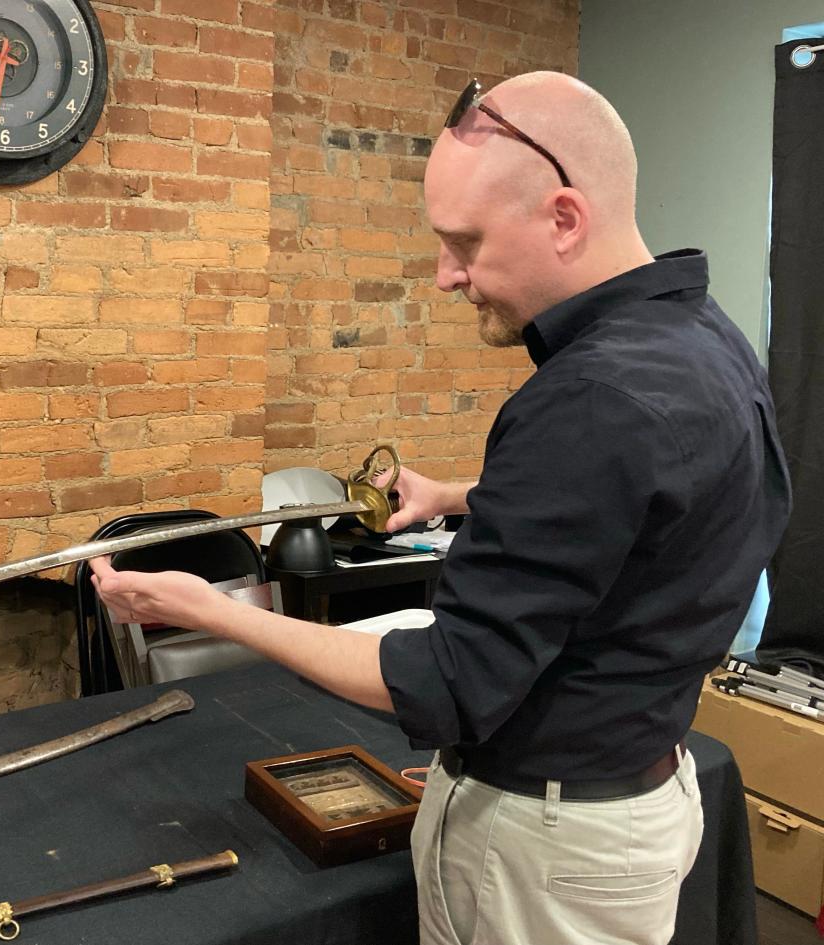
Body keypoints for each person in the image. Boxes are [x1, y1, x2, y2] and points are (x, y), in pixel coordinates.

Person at [91, 71, 791, 945]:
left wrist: (212, 612)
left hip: (547, 846)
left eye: (464, 242)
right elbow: (653, 505)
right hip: (639, 796)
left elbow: (444, 683)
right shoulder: (703, 339)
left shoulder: (590, 397)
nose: (444, 277)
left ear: (564, 218)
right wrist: (458, 494)